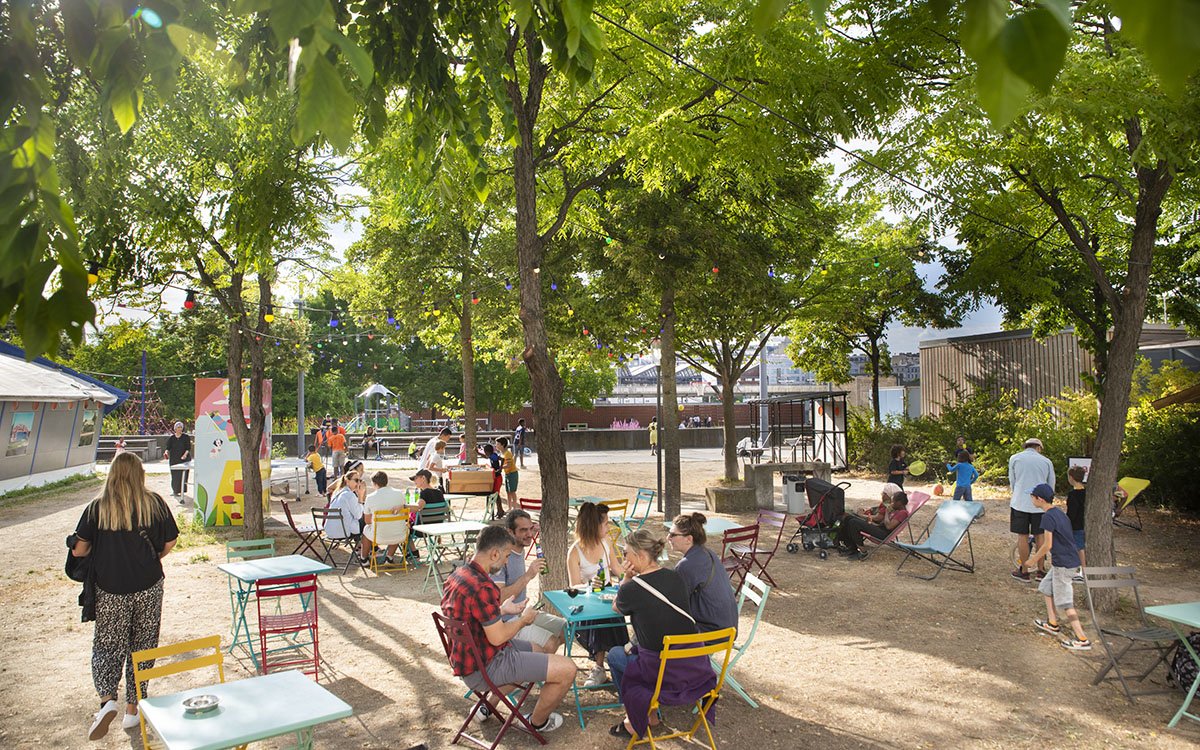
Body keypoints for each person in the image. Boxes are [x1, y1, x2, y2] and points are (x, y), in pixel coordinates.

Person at [71, 452, 179, 740]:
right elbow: (170, 540)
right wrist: (154, 557)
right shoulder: (154, 503)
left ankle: (107, 699)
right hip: (149, 584)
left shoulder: (98, 508)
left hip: (111, 588)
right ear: (139, 474)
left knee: (108, 644)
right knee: (143, 645)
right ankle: (133, 707)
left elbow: (79, 550)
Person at [441, 525, 577, 734]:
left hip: (470, 658)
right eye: (506, 556)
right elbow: (498, 638)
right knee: (568, 669)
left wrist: (502, 610)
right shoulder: (483, 586)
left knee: (537, 649)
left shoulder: (458, 575)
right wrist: (523, 620)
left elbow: (472, 616)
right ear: (494, 553)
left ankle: (489, 704)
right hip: (486, 665)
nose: (506, 562)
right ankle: (536, 723)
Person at [607, 529, 713, 741]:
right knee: (640, 651)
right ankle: (651, 716)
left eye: (626, 553)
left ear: (641, 556)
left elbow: (616, 607)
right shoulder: (676, 577)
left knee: (615, 655)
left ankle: (636, 718)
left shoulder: (631, 589)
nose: (623, 558)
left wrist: (626, 577)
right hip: (694, 668)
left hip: (662, 674)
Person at [567, 502, 628, 687]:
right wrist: (589, 586)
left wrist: (631, 578)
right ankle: (599, 667)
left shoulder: (605, 542)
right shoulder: (574, 552)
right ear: (593, 526)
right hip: (587, 600)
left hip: (608, 595)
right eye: (605, 523)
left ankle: (621, 666)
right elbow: (574, 586)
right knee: (599, 621)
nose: (608, 528)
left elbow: (616, 568)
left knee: (615, 613)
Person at [1025, 483, 1091, 651]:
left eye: (1032, 496)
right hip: (1064, 561)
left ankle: (1082, 639)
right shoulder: (1059, 513)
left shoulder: (1047, 517)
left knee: (1065, 602)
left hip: (1063, 564)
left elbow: (1047, 545)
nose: (1031, 499)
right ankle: (1052, 623)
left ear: (1040, 499)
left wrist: (1032, 561)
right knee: (1046, 588)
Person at [490, 509, 566, 654]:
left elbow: (528, 532)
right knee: (551, 643)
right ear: (510, 532)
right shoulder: (501, 557)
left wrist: (531, 528)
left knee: (566, 629)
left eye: (530, 528)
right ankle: (533, 665)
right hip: (507, 620)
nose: (529, 534)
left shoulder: (520, 545)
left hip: (524, 612)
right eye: (523, 530)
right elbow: (499, 597)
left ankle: (536, 661)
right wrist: (528, 575)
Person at [667, 513, 738, 633]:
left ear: (689, 539)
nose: (668, 537)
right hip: (728, 629)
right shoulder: (708, 553)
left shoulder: (687, 565)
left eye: (673, 534)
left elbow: (673, 603)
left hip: (711, 633)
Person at [1009, 437, 1055, 582]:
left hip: (1020, 502)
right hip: (1040, 504)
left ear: (1025, 446)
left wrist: (1017, 493)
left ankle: (1024, 571)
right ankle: (1041, 570)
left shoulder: (1015, 458)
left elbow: (1013, 481)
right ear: (1039, 448)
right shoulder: (1046, 461)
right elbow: (1051, 484)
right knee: (1040, 536)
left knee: (1022, 536)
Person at [835, 491, 910, 559]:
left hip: (883, 534)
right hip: (879, 528)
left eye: (893, 501)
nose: (892, 503)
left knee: (853, 522)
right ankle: (851, 547)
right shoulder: (897, 511)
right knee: (849, 518)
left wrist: (887, 512)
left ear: (899, 503)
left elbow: (889, 527)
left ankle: (863, 552)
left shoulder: (902, 513)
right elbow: (883, 522)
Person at [361, 471, 411, 563]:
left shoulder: (370, 497)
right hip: (399, 535)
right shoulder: (399, 493)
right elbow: (405, 515)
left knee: (366, 529)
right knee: (397, 525)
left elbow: (367, 521)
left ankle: (364, 559)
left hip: (379, 536)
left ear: (374, 483)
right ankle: (389, 556)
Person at [323, 470, 365, 546]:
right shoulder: (349, 495)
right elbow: (359, 515)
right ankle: (367, 549)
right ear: (347, 481)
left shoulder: (336, 493)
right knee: (368, 520)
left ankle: (361, 547)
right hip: (345, 532)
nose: (358, 483)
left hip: (330, 531)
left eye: (360, 480)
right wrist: (360, 497)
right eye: (356, 480)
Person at [163, 421, 191, 503]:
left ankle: (182, 490)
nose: (179, 429)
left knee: (183, 475)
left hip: (184, 459)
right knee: (175, 475)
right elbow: (168, 447)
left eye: (180, 427)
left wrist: (185, 455)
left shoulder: (186, 437)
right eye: (178, 427)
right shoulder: (172, 438)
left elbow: (188, 448)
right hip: (174, 459)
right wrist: (166, 452)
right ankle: (175, 490)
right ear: (175, 429)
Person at [1066, 465, 1088, 569]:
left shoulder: (1073, 494)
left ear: (1071, 477)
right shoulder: (1086, 492)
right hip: (1084, 522)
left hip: (1076, 525)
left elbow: (1072, 512)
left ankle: (1083, 569)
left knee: (1079, 548)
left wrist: (1067, 522)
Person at [496, 436, 518, 516]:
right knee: (508, 492)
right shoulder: (502, 453)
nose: (496, 445)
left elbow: (508, 465)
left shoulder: (507, 453)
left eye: (498, 444)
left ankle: (514, 508)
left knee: (512, 492)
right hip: (507, 474)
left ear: (502, 445)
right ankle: (509, 508)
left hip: (512, 473)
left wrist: (499, 468)